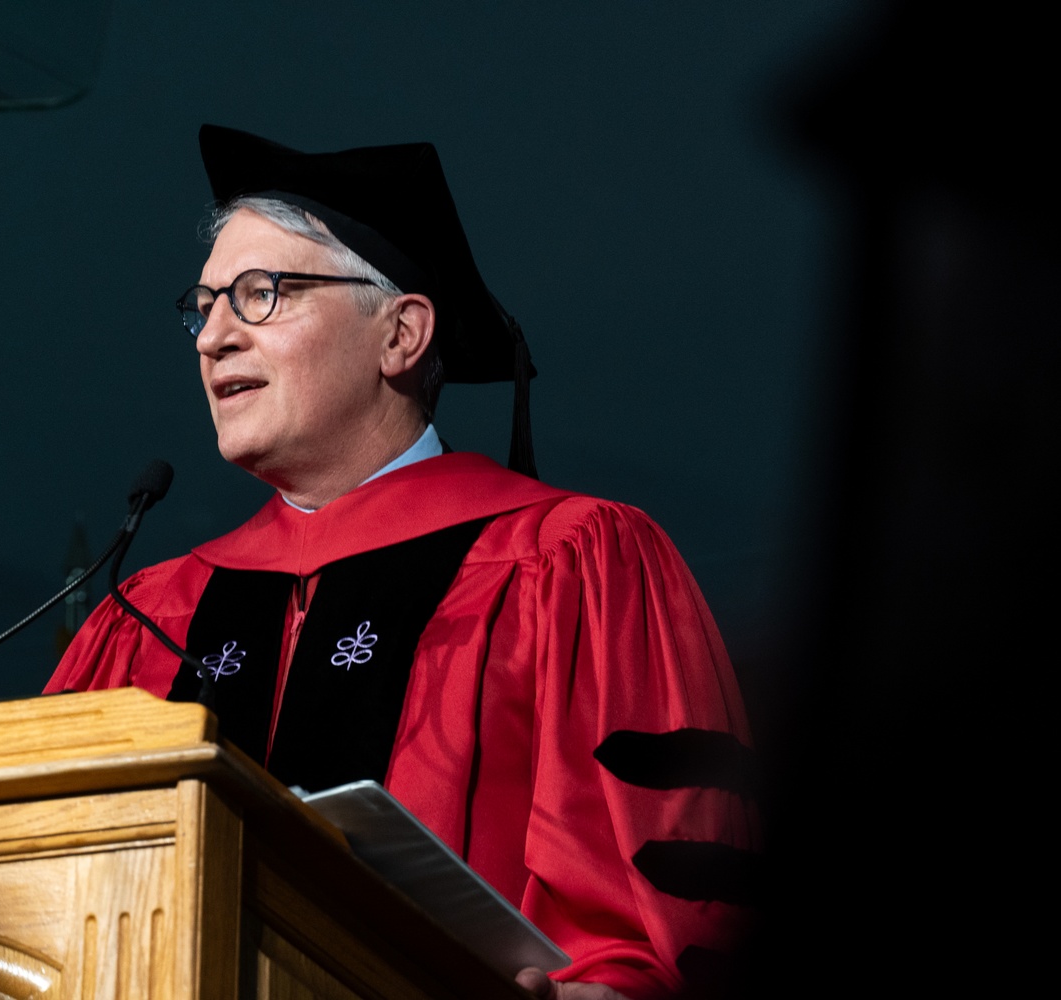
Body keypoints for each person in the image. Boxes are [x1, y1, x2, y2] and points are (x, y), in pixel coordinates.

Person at [45, 125, 759, 1000]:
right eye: (203, 305)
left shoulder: (570, 564)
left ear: (401, 334)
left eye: (261, 294)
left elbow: (669, 907)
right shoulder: (147, 615)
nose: (213, 336)